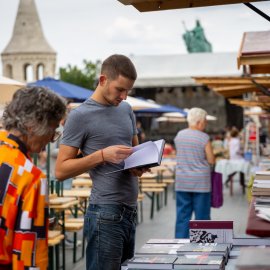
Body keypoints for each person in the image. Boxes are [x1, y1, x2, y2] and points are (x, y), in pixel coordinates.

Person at [55, 54, 147, 270]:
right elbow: (60, 170)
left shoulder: (126, 110)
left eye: (128, 91)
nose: (124, 97)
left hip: (131, 209)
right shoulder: (79, 116)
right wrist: (102, 155)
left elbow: (133, 152)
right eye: (120, 89)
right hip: (105, 214)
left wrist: (140, 165)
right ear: (103, 80)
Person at [0, 86, 66, 270]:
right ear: (33, 124)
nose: (52, 138)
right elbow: (28, 254)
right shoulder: (31, 177)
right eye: (52, 129)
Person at [174, 107, 215, 238]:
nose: (205, 124)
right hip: (200, 183)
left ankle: (180, 245)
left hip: (182, 182)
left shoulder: (179, 135)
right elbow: (211, 160)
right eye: (205, 122)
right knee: (202, 217)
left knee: (182, 216)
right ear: (199, 122)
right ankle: (202, 247)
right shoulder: (204, 137)